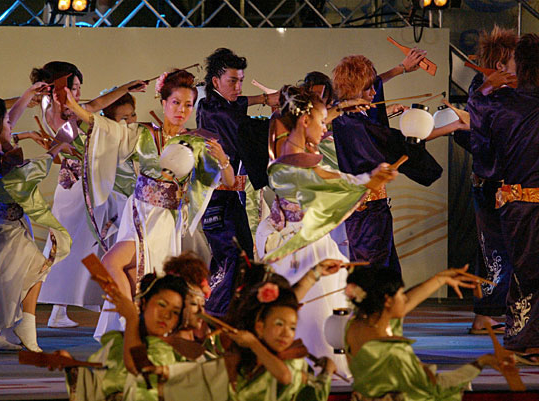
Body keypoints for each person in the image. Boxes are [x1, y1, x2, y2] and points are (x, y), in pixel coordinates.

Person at [62, 69, 233, 338]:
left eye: (188, 105)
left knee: (122, 266)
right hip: (137, 211)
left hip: (164, 220)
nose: (181, 110)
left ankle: (133, 322)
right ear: (163, 102)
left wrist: (223, 160)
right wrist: (75, 108)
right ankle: (136, 322)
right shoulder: (142, 134)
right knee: (128, 272)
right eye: (176, 102)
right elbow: (105, 129)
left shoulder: (197, 142)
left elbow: (229, 180)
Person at [256, 85, 397, 374]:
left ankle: (321, 368)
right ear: (305, 120)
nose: (325, 127)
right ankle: (305, 368)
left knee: (328, 309)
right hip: (298, 243)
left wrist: (366, 180)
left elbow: (329, 178)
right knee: (308, 312)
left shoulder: (297, 149)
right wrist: (367, 181)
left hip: (312, 238)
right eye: (321, 122)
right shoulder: (287, 165)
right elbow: (325, 184)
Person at [32, 61, 145, 328]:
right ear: (59, 88)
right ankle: (57, 309)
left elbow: (94, 105)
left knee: (88, 247)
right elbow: (91, 110)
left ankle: (71, 309)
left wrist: (126, 87)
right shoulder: (57, 112)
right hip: (77, 191)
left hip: (84, 187)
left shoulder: (64, 108)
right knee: (69, 248)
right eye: (74, 88)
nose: (79, 94)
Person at [331, 55, 468, 274]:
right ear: (355, 90)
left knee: (380, 269)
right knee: (375, 272)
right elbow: (402, 142)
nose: (374, 92)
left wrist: (401, 68)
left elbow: (373, 95)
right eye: (368, 89)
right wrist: (455, 126)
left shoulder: (343, 115)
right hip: (367, 211)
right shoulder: (357, 125)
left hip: (363, 209)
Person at [0, 93, 72, 351]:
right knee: (37, 270)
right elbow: (27, 176)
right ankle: (26, 330)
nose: (11, 125)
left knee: (2, 283)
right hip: (3, 228)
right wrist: (57, 146)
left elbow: (8, 123)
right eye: (7, 123)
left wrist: (30, 92)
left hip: (0, 224)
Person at [468, 33, 539, 353]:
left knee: (525, 272)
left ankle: (525, 338)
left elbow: (485, 156)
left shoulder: (501, 105)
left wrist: (485, 88)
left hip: (518, 203)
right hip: (520, 203)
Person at [345, 265, 512, 400]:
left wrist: (441, 278)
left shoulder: (356, 325)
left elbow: (407, 303)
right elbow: (436, 387)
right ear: (387, 301)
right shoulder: (393, 352)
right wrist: (481, 363)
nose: (405, 298)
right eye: (401, 294)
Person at [196, 48, 279, 317]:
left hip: (232, 197)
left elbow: (239, 104)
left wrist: (264, 99)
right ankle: (216, 315)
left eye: (241, 80)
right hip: (217, 198)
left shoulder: (223, 105)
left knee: (238, 258)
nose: (238, 87)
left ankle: (224, 314)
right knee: (232, 259)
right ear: (215, 81)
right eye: (232, 81)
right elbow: (242, 122)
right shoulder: (213, 111)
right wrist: (279, 115)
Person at [455, 26, 517, 335]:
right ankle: (487, 315)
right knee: (495, 251)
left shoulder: (507, 90)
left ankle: (494, 314)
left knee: (503, 250)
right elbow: (479, 128)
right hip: (493, 182)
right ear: (501, 63)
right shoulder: (482, 91)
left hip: (504, 180)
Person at [58, 274, 189, 400]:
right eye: (162, 305)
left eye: (175, 312)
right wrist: (73, 369)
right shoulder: (118, 344)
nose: (167, 315)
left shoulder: (168, 351)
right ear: (144, 303)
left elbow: (138, 369)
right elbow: (97, 387)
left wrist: (131, 319)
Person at [226, 282, 334, 401]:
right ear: (260, 328)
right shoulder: (243, 358)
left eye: (292, 328)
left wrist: (253, 343)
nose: (286, 334)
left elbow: (285, 377)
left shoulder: (291, 363)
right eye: (279, 324)